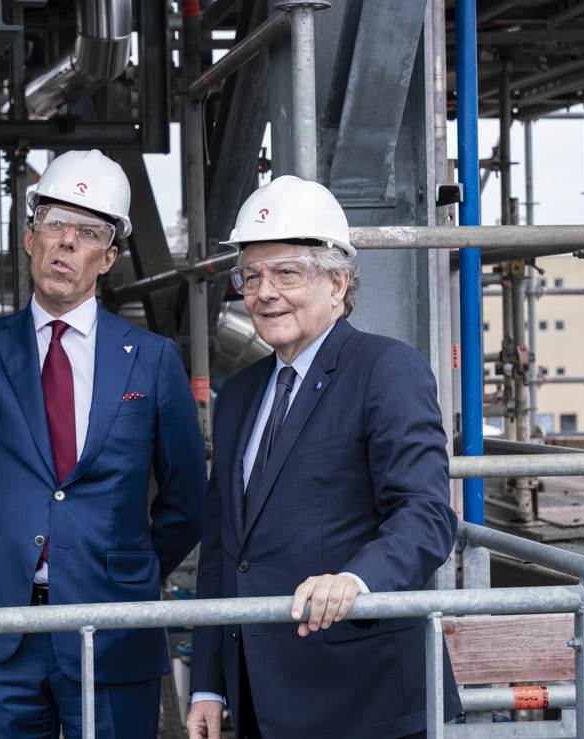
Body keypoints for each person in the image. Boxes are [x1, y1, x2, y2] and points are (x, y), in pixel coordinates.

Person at [0, 149, 206, 739]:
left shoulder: (151, 359)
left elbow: (186, 497)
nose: (66, 242)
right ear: (29, 238)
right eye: (54, 224)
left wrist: (127, 569)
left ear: (109, 258)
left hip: (111, 623)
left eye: (87, 232)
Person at [186, 176, 462, 739]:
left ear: (337, 284)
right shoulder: (239, 395)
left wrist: (357, 580)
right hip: (260, 697)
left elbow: (427, 515)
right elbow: (222, 549)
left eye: (287, 273)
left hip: (363, 696)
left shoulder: (385, 369)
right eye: (252, 276)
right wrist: (209, 683)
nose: (265, 293)